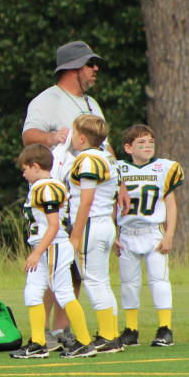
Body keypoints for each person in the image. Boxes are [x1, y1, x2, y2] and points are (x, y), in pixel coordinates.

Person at [21, 41, 106, 351]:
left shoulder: (92, 104)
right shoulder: (47, 100)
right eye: (89, 64)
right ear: (72, 69)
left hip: (88, 195)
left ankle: (61, 332)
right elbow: (29, 136)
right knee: (48, 264)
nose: (95, 69)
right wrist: (51, 137)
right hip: (56, 197)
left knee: (73, 270)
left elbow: (103, 148)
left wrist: (119, 183)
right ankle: (41, 333)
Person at [10, 144, 95, 359]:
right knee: (32, 292)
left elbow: (54, 225)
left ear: (35, 166)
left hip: (52, 246)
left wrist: (37, 252)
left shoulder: (45, 188)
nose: (23, 174)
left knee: (64, 293)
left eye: (25, 169)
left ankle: (84, 342)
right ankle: (38, 342)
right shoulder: (47, 186)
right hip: (48, 246)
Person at [115, 124, 184, 348]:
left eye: (150, 142)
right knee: (128, 283)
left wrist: (170, 234)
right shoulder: (117, 170)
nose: (147, 146)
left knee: (159, 280)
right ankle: (131, 329)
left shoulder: (163, 168)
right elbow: (109, 205)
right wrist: (113, 235)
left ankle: (165, 328)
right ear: (128, 147)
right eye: (141, 143)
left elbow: (171, 205)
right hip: (126, 233)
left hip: (153, 232)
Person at [65, 115, 124, 352]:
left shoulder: (87, 160)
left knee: (94, 281)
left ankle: (109, 336)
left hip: (90, 224)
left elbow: (86, 201)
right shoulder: (107, 156)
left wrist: (75, 235)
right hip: (105, 223)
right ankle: (111, 334)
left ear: (81, 137)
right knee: (103, 282)